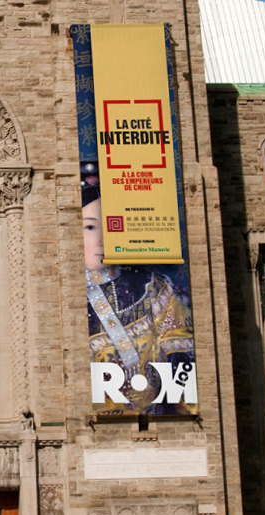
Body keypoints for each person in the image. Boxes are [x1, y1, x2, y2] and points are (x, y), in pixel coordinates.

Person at [81, 163, 195, 415]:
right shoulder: (62, 300)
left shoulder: (157, 288)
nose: (101, 238)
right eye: (90, 227)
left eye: (110, 224)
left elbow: (185, 375)